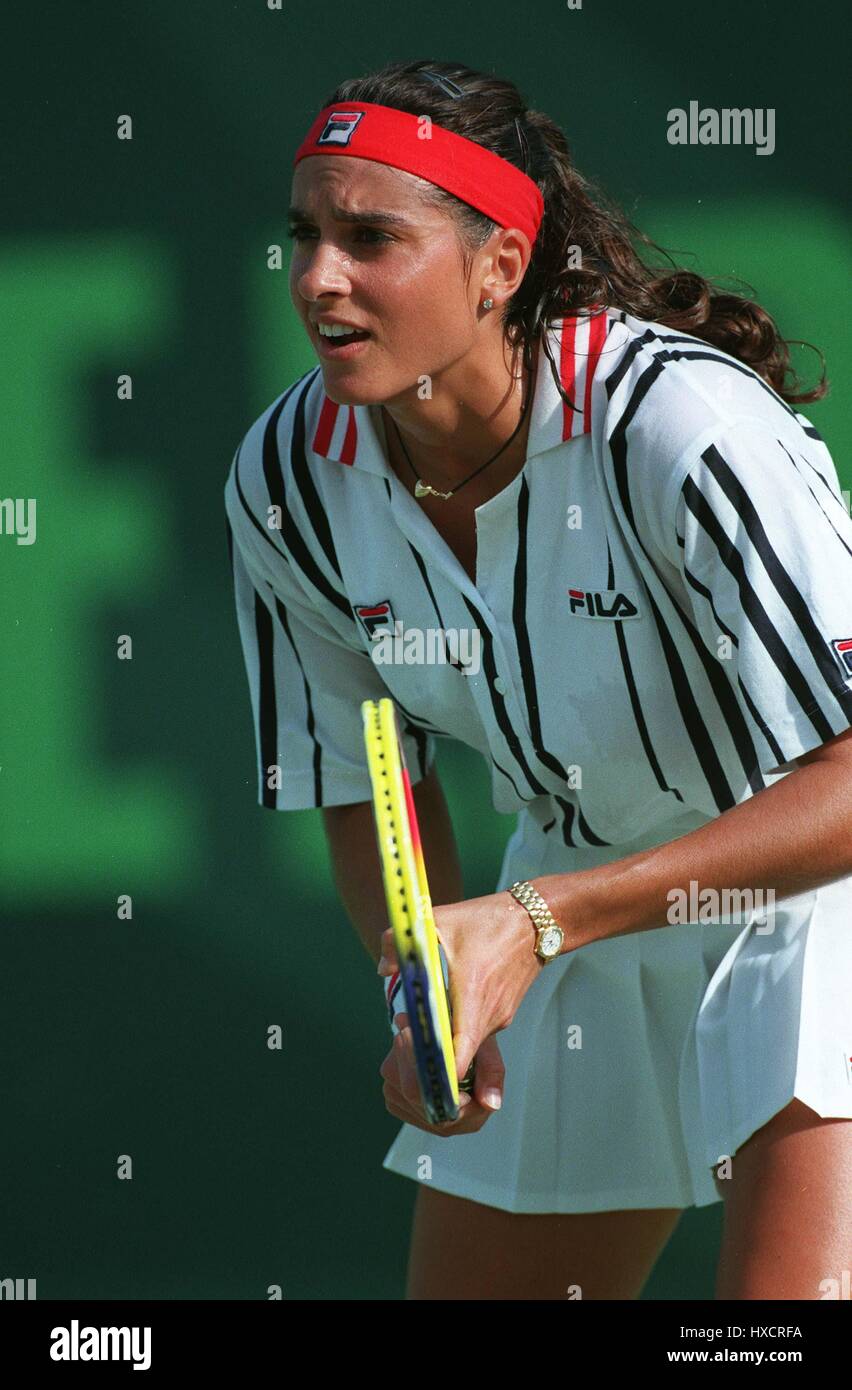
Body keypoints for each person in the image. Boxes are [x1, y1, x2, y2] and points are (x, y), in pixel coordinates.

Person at [224, 59, 852, 1299]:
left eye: (371, 238)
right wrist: (423, 986)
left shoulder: (684, 432)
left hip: (812, 899)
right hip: (566, 902)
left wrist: (538, 920)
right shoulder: (289, 477)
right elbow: (370, 776)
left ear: (500, 264)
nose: (317, 279)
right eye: (305, 234)